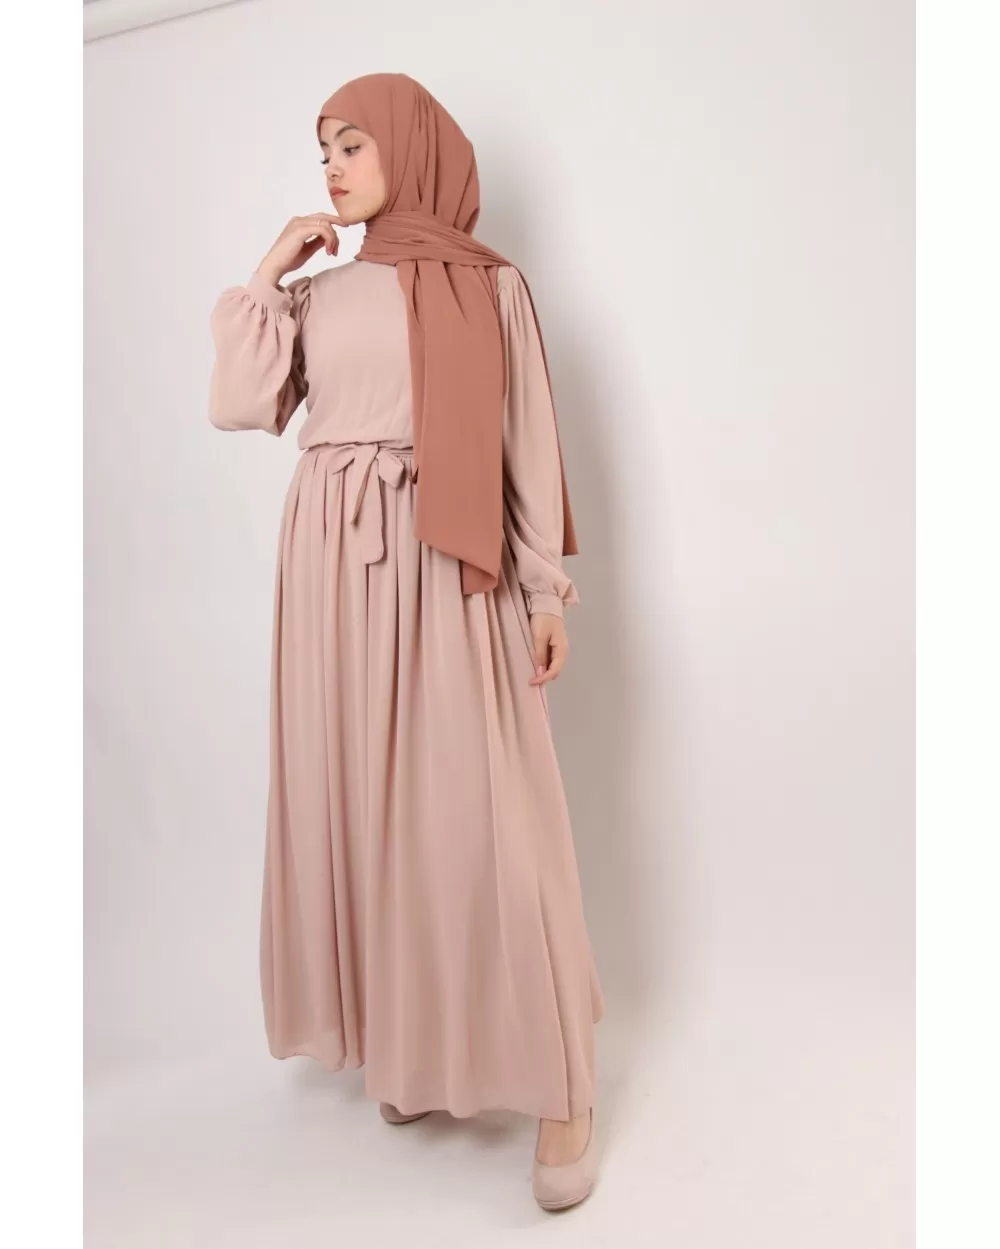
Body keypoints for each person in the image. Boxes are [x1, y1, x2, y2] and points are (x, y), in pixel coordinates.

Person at [207, 72, 604, 1211]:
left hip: (442, 558)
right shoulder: (320, 295)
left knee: (486, 811)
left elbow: (526, 435)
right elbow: (240, 403)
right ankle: (421, 1049)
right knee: (373, 808)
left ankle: (566, 1084)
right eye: (323, 150)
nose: (332, 168)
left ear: (413, 149)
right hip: (330, 571)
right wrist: (270, 271)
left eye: (353, 144)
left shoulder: (489, 285)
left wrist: (541, 590)